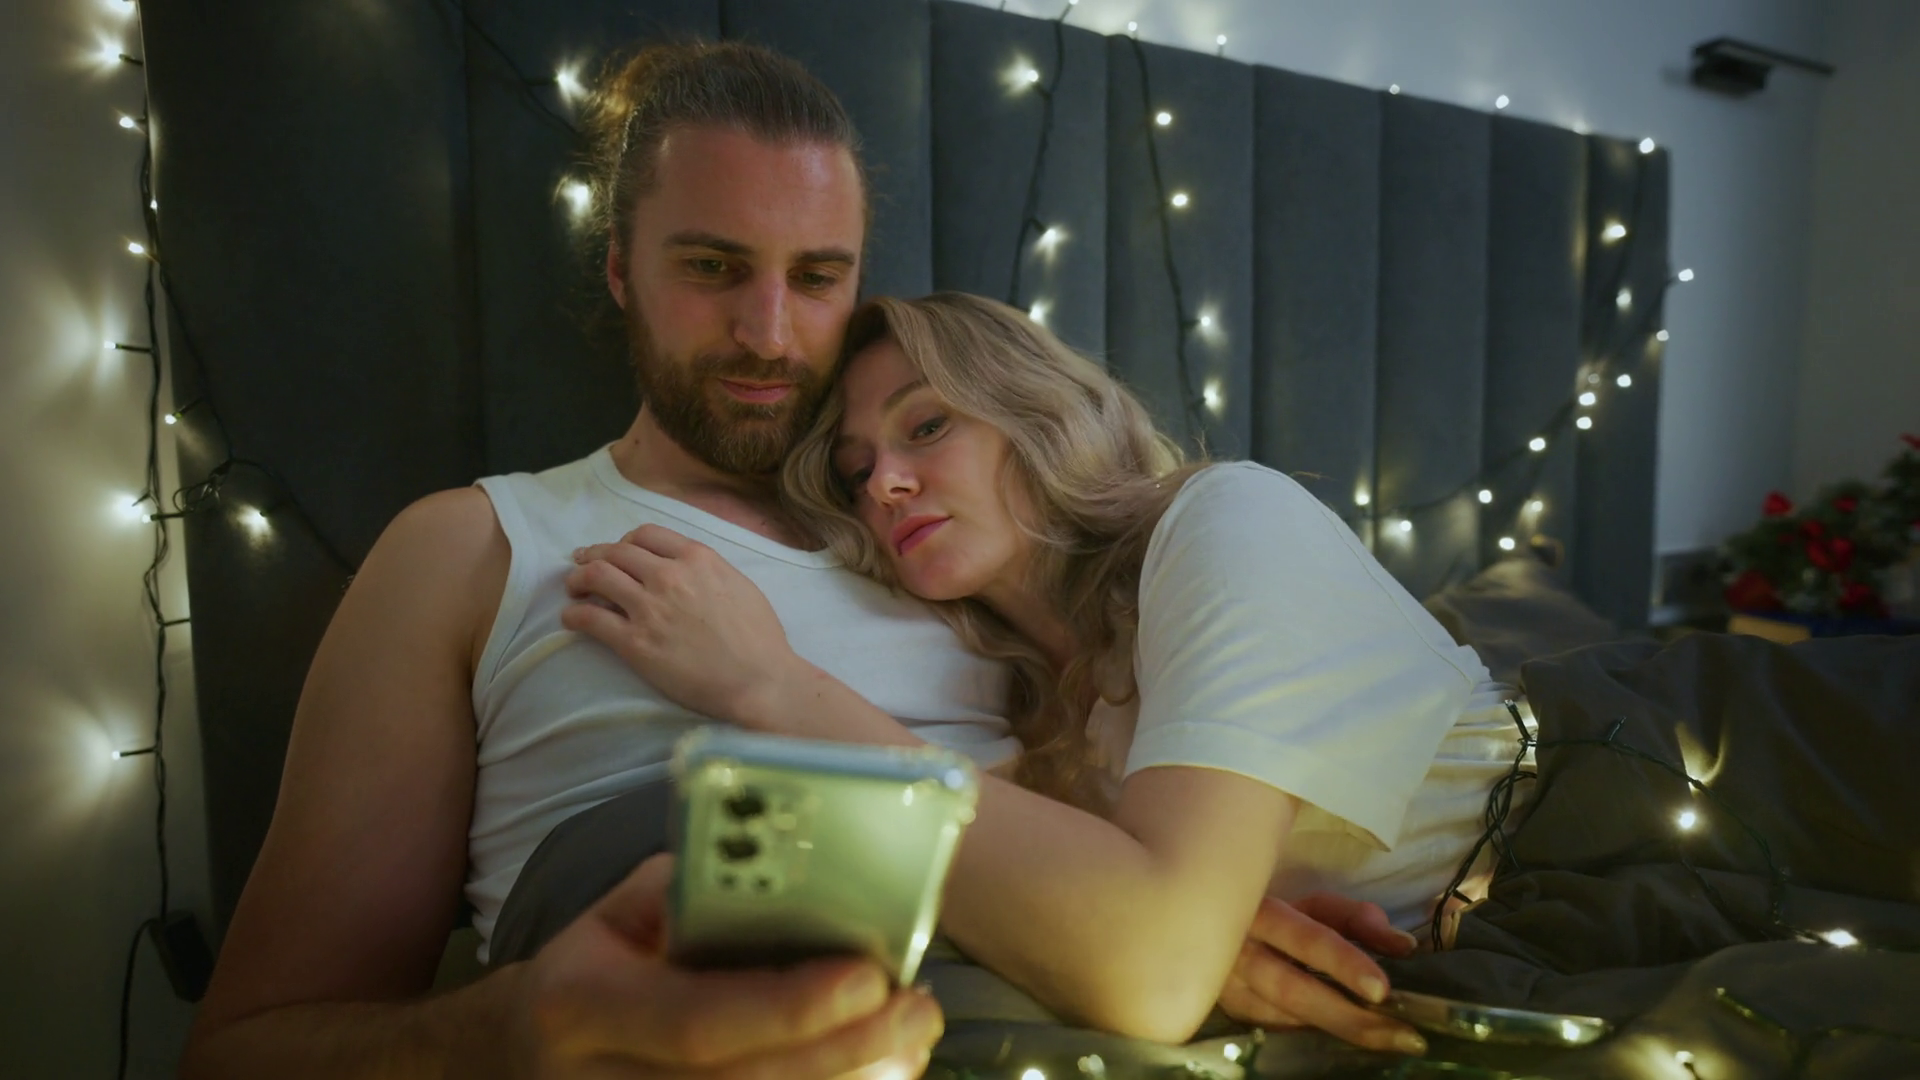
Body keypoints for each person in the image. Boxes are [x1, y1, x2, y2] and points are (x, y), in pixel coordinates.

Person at [182, 41, 1411, 1077]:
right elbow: (242, 1050)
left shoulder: (946, 558)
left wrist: (1174, 920)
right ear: (619, 268)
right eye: (712, 268)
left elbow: (1129, 884)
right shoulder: (473, 548)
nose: (769, 334)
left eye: (818, 278)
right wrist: (503, 1030)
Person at [562, 293, 1530, 1052]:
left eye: (926, 427)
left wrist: (770, 686)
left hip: (1553, 883)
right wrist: (1206, 938)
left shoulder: (1229, 520)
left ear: (1034, 412)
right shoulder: (1030, 718)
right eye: (856, 472)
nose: (885, 484)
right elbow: (1151, 937)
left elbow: (1151, 968)